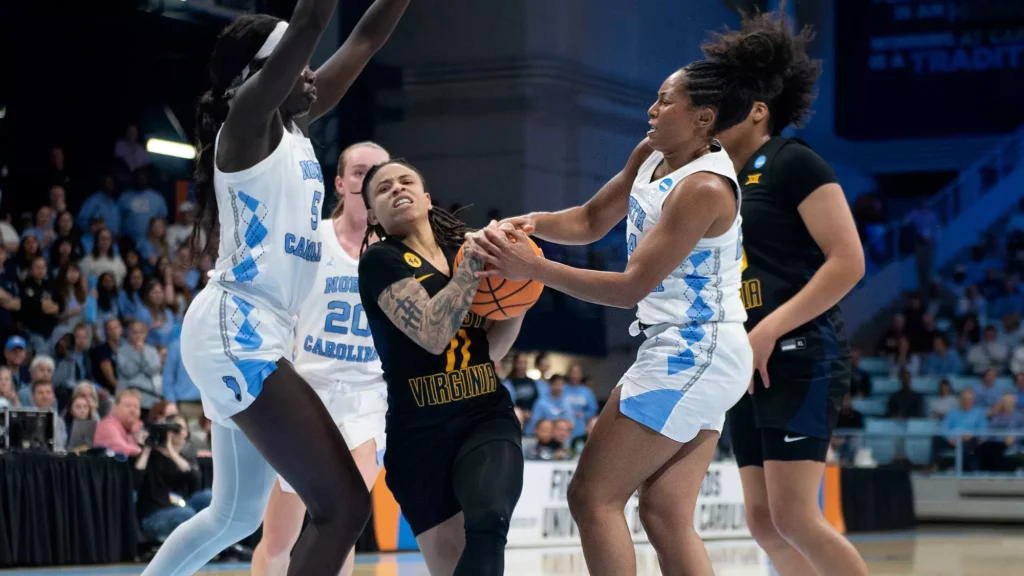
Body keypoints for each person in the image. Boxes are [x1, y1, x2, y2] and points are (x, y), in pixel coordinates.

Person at [142, 1, 410, 574]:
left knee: (234, 517)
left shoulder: (292, 128)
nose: (311, 74)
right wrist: (305, 31)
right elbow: (314, 18)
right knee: (343, 506)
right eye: (298, 64)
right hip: (238, 329)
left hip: (250, 330)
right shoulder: (247, 126)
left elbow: (363, 40)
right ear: (258, 77)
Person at [478, 56, 754, 576]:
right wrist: (530, 225)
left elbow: (630, 288)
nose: (651, 109)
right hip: (699, 353)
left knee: (591, 497)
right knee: (665, 513)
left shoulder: (705, 188)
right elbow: (588, 220)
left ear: (703, 117)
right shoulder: (652, 154)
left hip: (693, 349)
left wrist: (533, 268)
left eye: (666, 101)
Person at [707, 10, 869, 576]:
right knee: (762, 520)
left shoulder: (794, 162)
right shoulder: (717, 180)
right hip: (745, 360)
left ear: (757, 111)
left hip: (799, 351)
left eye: (725, 103)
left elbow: (849, 263)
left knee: (796, 516)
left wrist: (770, 328)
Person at [357, 160, 525, 576]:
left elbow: (492, 350)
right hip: (419, 438)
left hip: (485, 416)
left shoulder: (461, 252)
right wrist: (472, 267)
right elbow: (433, 333)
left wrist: (520, 292)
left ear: (427, 198)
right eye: (383, 189)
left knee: (489, 522)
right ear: (374, 216)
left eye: (406, 181)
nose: (397, 189)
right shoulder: (380, 260)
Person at [251, 141, 391, 576]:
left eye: (378, 173)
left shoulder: (398, 252)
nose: (368, 181)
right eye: (359, 172)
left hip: (366, 395)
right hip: (306, 391)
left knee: (344, 518)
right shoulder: (311, 240)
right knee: (278, 539)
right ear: (340, 182)